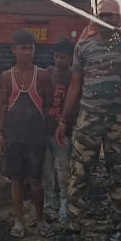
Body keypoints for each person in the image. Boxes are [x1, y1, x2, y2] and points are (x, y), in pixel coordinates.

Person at [53, 0, 121, 241]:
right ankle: (73, 227)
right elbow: (75, 85)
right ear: (95, 17)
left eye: (112, 16)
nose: (107, 20)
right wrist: (64, 120)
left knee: (117, 173)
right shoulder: (83, 46)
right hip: (89, 119)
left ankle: (116, 226)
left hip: (118, 121)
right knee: (80, 172)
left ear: (119, 19)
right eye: (103, 15)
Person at [0, 30, 53, 238]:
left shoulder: (43, 75)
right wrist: (0, 134)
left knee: (36, 181)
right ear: (14, 50)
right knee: (16, 180)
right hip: (13, 136)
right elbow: (2, 107)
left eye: (31, 48)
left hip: (35, 138)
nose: (27, 53)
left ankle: (40, 219)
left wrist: (46, 130)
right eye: (23, 48)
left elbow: (48, 104)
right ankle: (19, 221)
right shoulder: (6, 77)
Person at [44, 38, 75, 223]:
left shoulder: (74, 77)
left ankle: (64, 204)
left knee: (63, 170)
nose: (58, 61)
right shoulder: (48, 73)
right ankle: (49, 203)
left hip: (64, 131)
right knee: (46, 170)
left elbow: (75, 105)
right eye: (55, 56)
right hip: (46, 129)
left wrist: (64, 121)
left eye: (62, 57)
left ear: (71, 58)